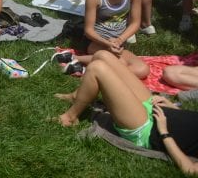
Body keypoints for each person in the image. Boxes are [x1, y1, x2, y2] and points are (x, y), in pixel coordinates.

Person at [54, 49, 198, 170]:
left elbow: (190, 170)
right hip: (158, 109)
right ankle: (78, 96)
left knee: (97, 68)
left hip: (148, 128)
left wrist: (164, 133)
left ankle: (69, 118)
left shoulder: (159, 131)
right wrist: (172, 106)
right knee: (102, 55)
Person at [72, 0, 149, 78]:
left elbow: (135, 23)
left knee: (142, 70)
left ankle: (80, 62)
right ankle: (80, 61)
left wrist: (119, 40)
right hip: (96, 41)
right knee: (122, 64)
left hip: (118, 42)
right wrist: (107, 43)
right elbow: (88, 31)